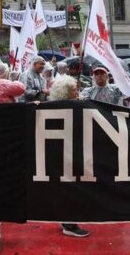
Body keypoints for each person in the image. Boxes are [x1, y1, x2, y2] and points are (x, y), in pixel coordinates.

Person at [45, 75, 90, 238]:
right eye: (73, 90)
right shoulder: (62, 107)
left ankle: (67, 220)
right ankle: (69, 223)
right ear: (65, 92)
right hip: (63, 155)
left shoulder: (59, 105)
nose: (76, 92)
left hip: (67, 153)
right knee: (67, 188)